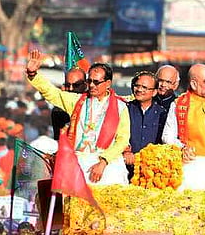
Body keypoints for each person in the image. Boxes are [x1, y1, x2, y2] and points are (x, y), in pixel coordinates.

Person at [25, 48, 131, 185]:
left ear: (108, 83)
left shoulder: (121, 107)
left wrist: (103, 162)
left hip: (108, 167)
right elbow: (53, 93)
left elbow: (122, 140)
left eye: (97, 82)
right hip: (79, 163)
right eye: (89, 81)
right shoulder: (77, 101)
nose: (91, 85)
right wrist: (34, 74)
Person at [124, 71, 169, 157]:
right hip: (127, 162)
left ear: (154, 92)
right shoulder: (125, 109)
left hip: (153, 164)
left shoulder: (162, 113)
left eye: (144, 87)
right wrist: (126, 151)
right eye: (137, 86)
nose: (139, 90)